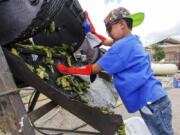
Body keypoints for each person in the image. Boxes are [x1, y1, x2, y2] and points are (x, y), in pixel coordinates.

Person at [56, 7, 174, 135]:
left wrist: (67, 69)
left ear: (122, 24)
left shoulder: (120, 47)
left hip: (152, 102)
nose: (108, 33)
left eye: (109, 28)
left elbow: (93, 69)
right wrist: (91, 30)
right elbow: (107, 42)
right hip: (155, 99)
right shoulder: (132, 40)